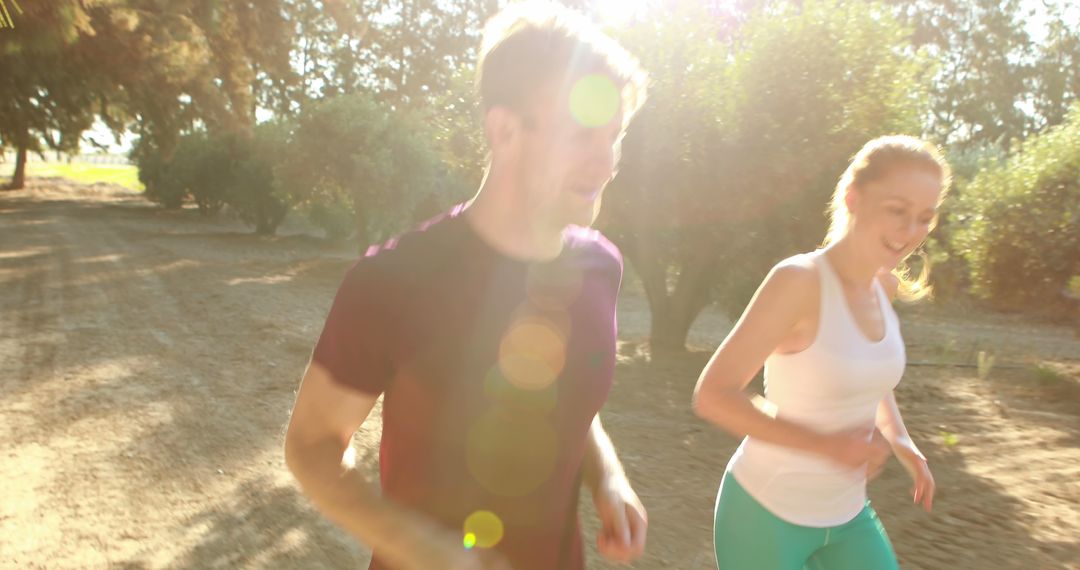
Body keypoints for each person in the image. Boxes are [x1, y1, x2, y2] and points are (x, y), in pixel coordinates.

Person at [283, 2, 649, 569]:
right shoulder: (394, 281)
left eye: (615, 137)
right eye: (581, 135)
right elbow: (312, 445)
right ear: (504, 130)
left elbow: (563, 398)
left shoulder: (600, 268)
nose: (605, 164)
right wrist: (423, 550)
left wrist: (609, 478)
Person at [693, 135, 948, 569]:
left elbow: (868, 377)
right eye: (897, 210)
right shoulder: (799, 281)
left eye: (924, 217)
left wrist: (901, 440)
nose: (910, 231)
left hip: (847, 515)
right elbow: (713, 395)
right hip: (764, 513)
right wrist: (826, 445)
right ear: (854, 198)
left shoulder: (883, 286)